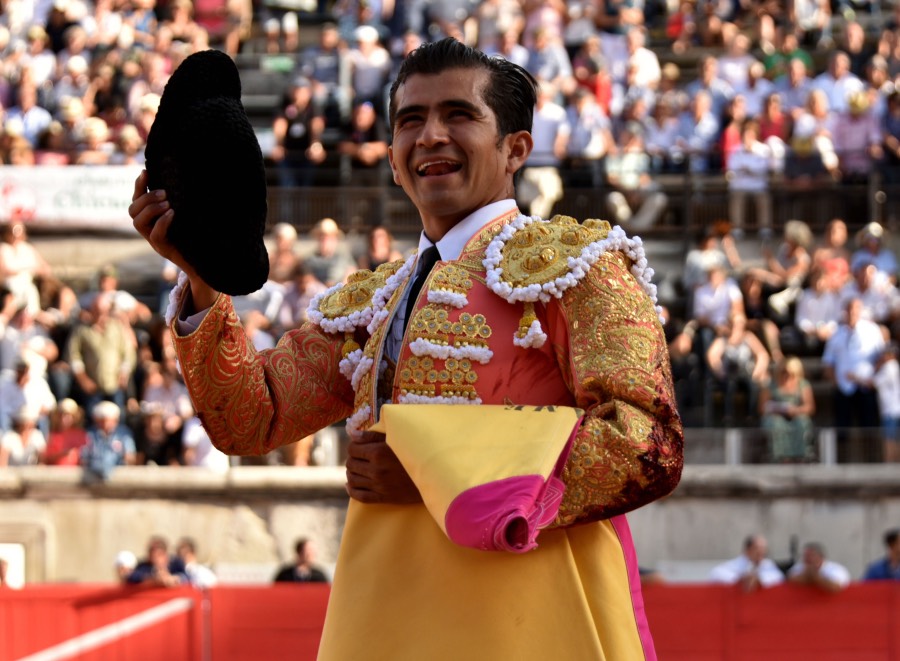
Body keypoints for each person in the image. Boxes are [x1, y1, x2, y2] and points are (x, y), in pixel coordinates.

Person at [130, 37, 683, 660]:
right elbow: (249, 418)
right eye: (410, 121)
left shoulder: (581, 270)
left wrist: (438, 472)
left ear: (516, 149)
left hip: (530, 618)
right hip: (391, 616)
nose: (430, 136)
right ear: (393, 160)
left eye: (459, 115)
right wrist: (203, 278)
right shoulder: (372, 304)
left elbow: (646, 442)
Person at [760, 357, 816, 463]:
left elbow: (810, 407)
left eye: (790, 373)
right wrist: (777, 410)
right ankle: (780, 457)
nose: (786, 376)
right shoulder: (771, 385)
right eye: (783, 372)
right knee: (777, 424)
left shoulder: (803, 384)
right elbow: (762, 407)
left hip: (796, 415)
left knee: (801, 422)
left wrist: (795, 410)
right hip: (776, 416)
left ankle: (800, 456)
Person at [709, 534, 786, 591]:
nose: (761, 552)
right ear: (747, 550)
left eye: (764, 548)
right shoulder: (737, 564)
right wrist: (740, 579)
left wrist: (760, 580)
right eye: (757, 548)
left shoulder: (767, 564)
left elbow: (778, 577)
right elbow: (716, 573)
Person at [787, 542, 851, 592]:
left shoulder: (836, 569)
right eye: (805, 556)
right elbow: (790, 579)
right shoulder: (799, 567)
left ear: (820, 556)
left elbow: (836, 588)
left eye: (811, 555)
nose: (807, 559)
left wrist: (816, 577)